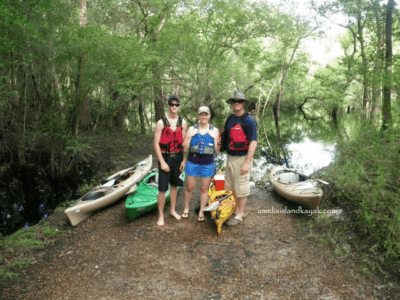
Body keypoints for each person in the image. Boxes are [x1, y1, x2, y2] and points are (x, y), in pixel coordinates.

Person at [221, 91, 258, 226]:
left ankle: (240, 215)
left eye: (239, 101)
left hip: (242, 158)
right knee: (231, 186)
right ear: (231, 104)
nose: (236, 103)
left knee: (241, 187)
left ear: (243, 104)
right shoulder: (230, 118)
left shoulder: (248, 120)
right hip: (231, 157)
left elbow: (253, 142)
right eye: (234, 101)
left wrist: (247, 163)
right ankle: (235, 209)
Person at [153, 94, 187, 227]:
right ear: (168, 106)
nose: (174, 107)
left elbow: (184, 144)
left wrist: (184, 160)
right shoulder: (161, 122)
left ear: (179, 106)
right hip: (165, 156)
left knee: (175, 185)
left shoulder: (182, 123)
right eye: (172, 104)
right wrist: (162, 162)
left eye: (176, 104)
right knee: (162, 188)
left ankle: (172, 210)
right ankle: (161, 215)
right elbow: (155, 144)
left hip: (178, 157)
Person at [181, 106, 220, 222]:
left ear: (209, 116)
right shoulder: (192, 129)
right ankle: (186, 208)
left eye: (206, 114)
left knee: (204, 189)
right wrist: (189, 137)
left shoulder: (215, 130)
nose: (203, 117)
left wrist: (215, 140)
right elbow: (185, 148)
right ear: (198, 116)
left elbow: (217, 151)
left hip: (207, 163)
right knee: (189, 187)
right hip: (193, 161)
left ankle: (201, 211)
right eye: (201, 114)